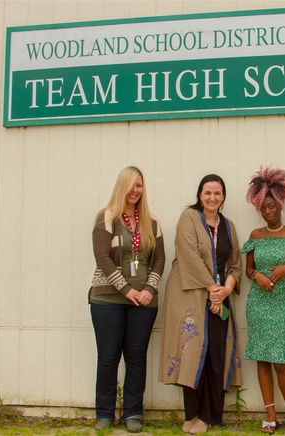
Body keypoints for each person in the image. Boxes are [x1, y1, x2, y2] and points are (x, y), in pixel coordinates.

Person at [159, 174, 242, 435]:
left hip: (218, 296)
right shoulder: (189, 218)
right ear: (199, 194)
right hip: (191, 295)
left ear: (223, 197)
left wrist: (226, 288)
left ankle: (209, 415)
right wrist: (212, 289)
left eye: (217, 193)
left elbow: (236, 263)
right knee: (192, 353)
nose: (212, 198)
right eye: (207, 193)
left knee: (216, 354)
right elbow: (189, 255)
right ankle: (192, 414)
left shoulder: (228, 226)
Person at [89, 166, 165, 433]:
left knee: (136, 357)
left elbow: (159, 259)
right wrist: (126, 290)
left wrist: (149, 290)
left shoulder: (152, 221)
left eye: (140, 186)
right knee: (109, 357)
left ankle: (133, 413)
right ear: (122, 186)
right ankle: (105, 414)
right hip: (108, 299)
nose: (136, 191)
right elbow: (103, 259)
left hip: (144, 301)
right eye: (132, 185)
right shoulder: (106, 217)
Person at [241, 166, 285, 434]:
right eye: (263, 208)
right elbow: (247, 270)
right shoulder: (255, 236)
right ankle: (270, 413)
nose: (268, 211)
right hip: (258, 302)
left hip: (281, 304)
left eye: (271, 206)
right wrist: (258, 277)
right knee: (262, 359)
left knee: (280, 360)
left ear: (279, 205)